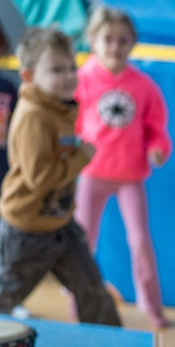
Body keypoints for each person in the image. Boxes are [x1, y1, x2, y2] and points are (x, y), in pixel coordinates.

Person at [0, 26, 121, 326]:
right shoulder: (33, 116)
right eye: (56, 70)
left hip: (61, 224)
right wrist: (81, 158)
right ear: (28, 76)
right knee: (6, 295)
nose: (69, 75)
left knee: (92, 290)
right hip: (28, 228)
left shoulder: (59, 107)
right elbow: (39, 178)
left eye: (71, 67)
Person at [74, 6, 171, 330]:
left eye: (123, 40)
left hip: (130, 177)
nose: (115, 46)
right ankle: (80, 302)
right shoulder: (82, 80)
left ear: (132, 43)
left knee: (140, 241)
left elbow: (157, 128)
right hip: (91, 174)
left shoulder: (143, 86)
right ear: (92, 41)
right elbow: (68, 121)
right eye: (108, 39)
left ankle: (151, 306)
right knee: (82, 244)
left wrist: (158, 148)